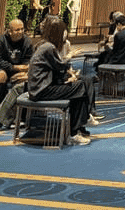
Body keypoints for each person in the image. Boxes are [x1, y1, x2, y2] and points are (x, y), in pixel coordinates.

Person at [27, 16, 94, 144]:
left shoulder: (43, 45)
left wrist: (70, 77)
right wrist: (70, 57)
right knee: (80, 87)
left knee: (78, 89)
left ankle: (79, 126)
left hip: (40, 87)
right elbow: (60, 66)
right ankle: (78, 127)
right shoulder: (49, 48)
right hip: (41, 90)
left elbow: (56, 69)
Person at [0, 19, 33, 103]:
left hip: (14, 71)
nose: (20, 32)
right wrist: (14, 68)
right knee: (1, 75)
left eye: (22, 29)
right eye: (17, 30)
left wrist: (22, 72)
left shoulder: (27, 42)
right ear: (9, 31)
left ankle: (16, 109)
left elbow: (28, 62)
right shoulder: (0, 40)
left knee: (25, 77)